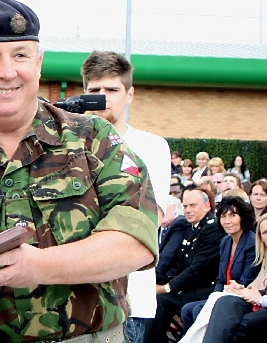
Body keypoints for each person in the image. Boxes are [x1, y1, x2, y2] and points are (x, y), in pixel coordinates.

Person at [0, 0, 159, 343]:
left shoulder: (94, 139)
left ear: (38, 64)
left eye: (21, 55)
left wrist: (38, 266)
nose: (7, 71)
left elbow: (136, 241)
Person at [80, 49, 171, 343]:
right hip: (69, 300)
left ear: (129, 94)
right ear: (84, 93)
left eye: (112, 89)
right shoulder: (64, 146)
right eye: (95, 90)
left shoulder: (152, 147)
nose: (102, 96)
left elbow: (149, 220)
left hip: (129, 300)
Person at [143, 188, 226, 343]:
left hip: (203, 288)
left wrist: (166, 287)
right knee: (147, 287)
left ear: (207, 206)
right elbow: (180, 264)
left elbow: (196, 270)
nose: (187, 210)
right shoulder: (194, 227)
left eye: (193, 205)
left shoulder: (212, 228)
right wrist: (152, 278)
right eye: (185, 206)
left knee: (161, 300)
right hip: (189, 284)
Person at [178, 196, 259, 341]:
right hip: (223, 294)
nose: (227, 221)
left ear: (243, 217)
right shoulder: (226, 241)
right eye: (223, 216)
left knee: (197, 310)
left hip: (242, 296)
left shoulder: (252, 242)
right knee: (187, 309)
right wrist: (214, 298)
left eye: (233, 215)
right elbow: (221, 279)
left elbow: (248, 279)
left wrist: (224, 295)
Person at [202, 213, 267, 343]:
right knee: (225, 301)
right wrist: (244, 290)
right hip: (262, 298)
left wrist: (260, 297)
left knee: (235, 323)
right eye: (265, 233)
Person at [157, 195, 191, 275]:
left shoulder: (181, 223)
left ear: (173, 207)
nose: (159, 211)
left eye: (162, 207)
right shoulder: (156, 227)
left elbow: (168, 256)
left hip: (169, 275)